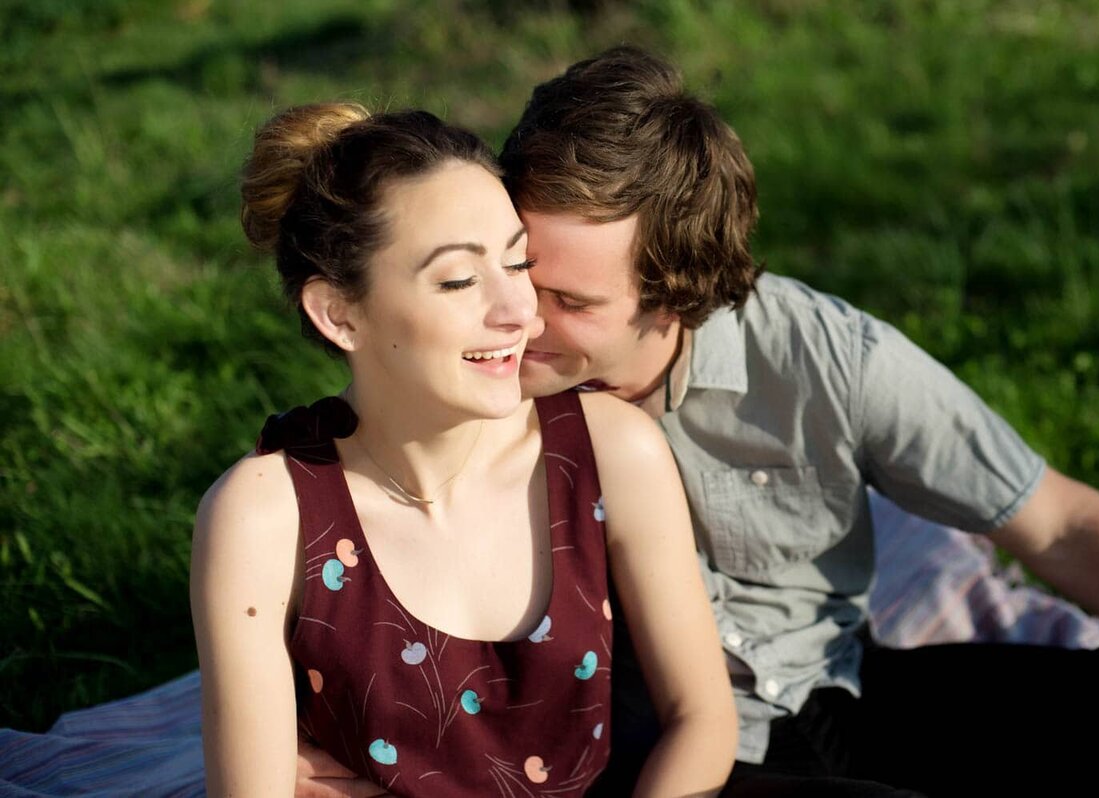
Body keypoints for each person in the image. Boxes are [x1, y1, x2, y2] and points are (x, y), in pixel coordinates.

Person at [296, 50, 1099, 797]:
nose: (518, 315)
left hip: (834, 686)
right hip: (645, 753)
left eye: (567, 298)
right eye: (518, 266)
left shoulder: (823, 356)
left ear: (675, 298)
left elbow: (1062, 523)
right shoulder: (481, 387)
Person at [190, 102, 736, 798]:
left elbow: (703, 718)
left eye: (518, 263)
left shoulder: (610, 449)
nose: (520, 313)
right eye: (457, 280)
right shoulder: (266, 517)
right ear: (339, 313)